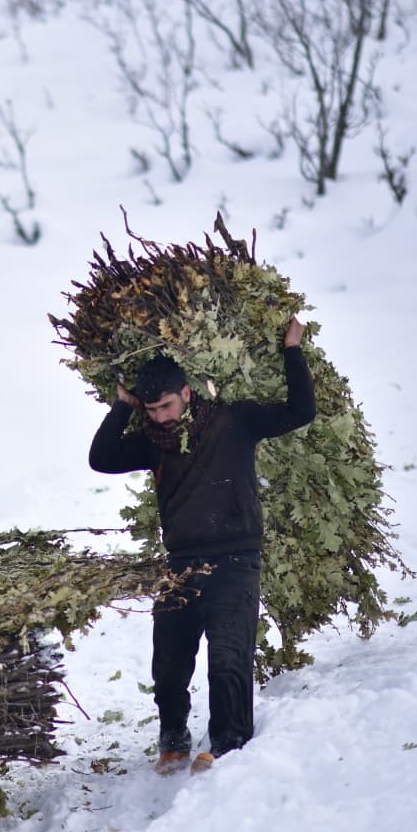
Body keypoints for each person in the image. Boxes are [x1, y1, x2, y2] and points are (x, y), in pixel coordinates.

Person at [88, 318, 314, 775]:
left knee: (228, 658)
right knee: (168, 664)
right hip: (182, 564)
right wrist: (122, 408)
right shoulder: (153, 443)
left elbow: (300, 411)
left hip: (236, 559)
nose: (160, 418)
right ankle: (173, 739)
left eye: (166, 406)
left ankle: (228, 742)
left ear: (188, 393)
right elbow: (101, 459)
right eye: (151, 410)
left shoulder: (235, 420)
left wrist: (292, 350)